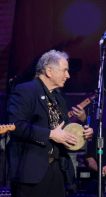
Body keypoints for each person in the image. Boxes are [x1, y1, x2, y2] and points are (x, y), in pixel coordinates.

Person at [7, 49, 93, 197]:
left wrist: (82, 133)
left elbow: (64, 131)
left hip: (57, 171)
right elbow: (16, 125)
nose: (68, 75)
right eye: (65, 70)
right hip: (31, 173)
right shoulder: (25, 90)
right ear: (49, 71)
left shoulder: (58, 98)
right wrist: (50, 134)